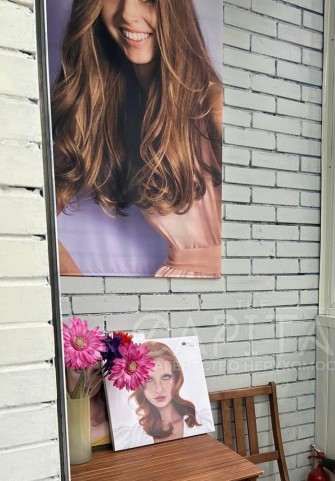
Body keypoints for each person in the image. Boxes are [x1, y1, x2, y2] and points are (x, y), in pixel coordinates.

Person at [52, 0, 222, 278]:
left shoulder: (212, 107)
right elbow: (31, 215)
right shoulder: (102, 111)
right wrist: (81, 290)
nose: (128, 14)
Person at [113, 341, 213, 449]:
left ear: (176, 379)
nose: (159, 389)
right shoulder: (130, 438)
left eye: (165, 377)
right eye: (149, 379)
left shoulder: (204, 421)